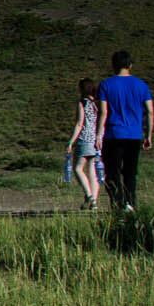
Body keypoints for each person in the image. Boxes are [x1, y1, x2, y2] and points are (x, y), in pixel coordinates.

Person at [98, 50, 154, 212]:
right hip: (134, 134)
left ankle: (117, 203)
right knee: (130, 172)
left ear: (114, 65)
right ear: (130, 65)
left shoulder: (106, 85)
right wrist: (148, 134)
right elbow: (150, 111)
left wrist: (98, 135)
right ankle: (130, 203)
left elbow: (103, 112)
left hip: (114, 134)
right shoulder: (142, 85)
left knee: (113, 171)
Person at [67, 77, 102, 211]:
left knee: (78, 168)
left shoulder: (83, 103)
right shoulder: (97, 103)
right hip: (97, 140)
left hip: (85, 139)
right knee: (93, 171)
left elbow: (79, 123)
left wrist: (71, 142)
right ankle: (94, 202)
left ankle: (89, 196)